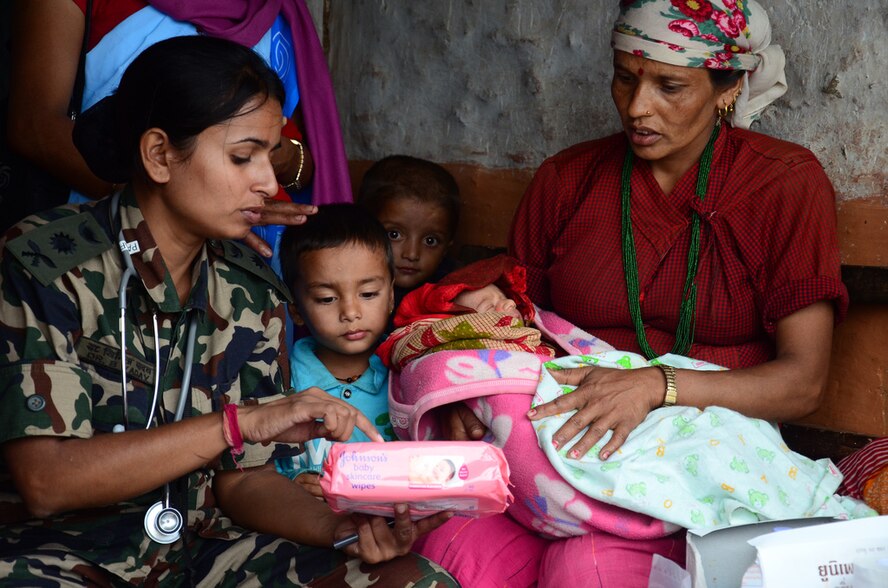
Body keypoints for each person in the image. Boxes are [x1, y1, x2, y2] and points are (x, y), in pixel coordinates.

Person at [0, 36, 456, 586]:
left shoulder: (252, 289)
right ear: (160, 155)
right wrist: (236, 425)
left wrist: (342, 528)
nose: (268, 182)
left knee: (415, 580)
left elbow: (244, 482)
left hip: (202, 551)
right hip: (59, 555)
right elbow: (48, 482)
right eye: (244, 156)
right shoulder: (45, 262)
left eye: (271, 155)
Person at [437, 1, 849, 586]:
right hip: (560, 456)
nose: (637, 107)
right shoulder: (568, 180)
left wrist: (659, 385)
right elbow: (513, 319)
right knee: (458, 544)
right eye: (625, 78)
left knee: (587, 568)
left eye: (670, 86)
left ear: (727, 87)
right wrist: (465, 391)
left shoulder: (782, 183)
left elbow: (803, 382)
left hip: (707, 465)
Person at [6, 0, 353, 257]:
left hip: (248, 252)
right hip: (111, 236)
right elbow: (32, 126)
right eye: (244, 156)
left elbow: (298, 157)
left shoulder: (276, 7)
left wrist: (274, 156)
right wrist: (163, 208)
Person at [274, 204, 399, 498]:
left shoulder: (408, 371)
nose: (351, 312)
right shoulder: (282, 381)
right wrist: (293, 483)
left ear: (391, 296)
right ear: (297, 311)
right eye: (327, 298)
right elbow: (258, 471)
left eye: (368, 294)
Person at [356, 155, 462, 318]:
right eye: (394, 234)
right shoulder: (349, 282)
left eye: (430, 241)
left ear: (445, 250)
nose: (412, 254)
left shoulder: (449, 290)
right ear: (363, 231)